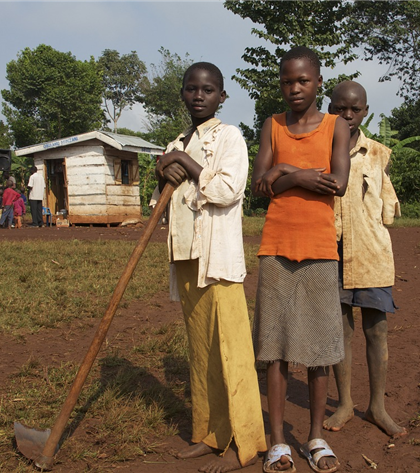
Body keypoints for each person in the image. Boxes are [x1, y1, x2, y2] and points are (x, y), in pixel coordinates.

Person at [150, 61, 267, 473]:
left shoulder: (229, 137)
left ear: (221, 96)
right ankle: (209, 433)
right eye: (191, 88)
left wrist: (186, 162)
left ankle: (246, 444)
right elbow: (165, 200)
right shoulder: (176, 140)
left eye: (208, 89)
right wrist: (162, 167)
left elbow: (226, 189)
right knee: (201, 355)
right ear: (182, 93)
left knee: (232, 352)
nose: (198, 95)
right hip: (185, 258)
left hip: (217, 260)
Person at [251, 46, 350, 473]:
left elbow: (338, 183)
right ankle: (277, 442)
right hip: (275, 246)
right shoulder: (271, 126)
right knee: (274, 349)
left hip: (320, 250)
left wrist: (284, 175)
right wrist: (297, 172)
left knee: (319, 350)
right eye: (287, 81)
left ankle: (315, 437)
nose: (294, 89)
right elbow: (258, 187)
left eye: (303, 81)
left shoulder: (336, 127)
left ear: (318, 83)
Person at [322, 81, 406, 438]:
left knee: (377, 329)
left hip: (372, 254)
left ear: (365, 111)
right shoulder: (319, 150)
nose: (347, 115)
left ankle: (377, 406)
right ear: (330, 108)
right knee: (340, 330)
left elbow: (387, 209)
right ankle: (343, 403)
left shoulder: (377, 154)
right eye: (340, 108)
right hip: (332, 251)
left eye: (355, 109)